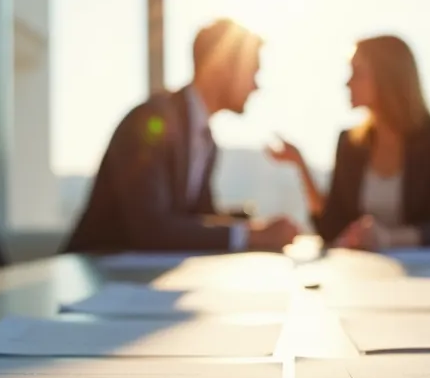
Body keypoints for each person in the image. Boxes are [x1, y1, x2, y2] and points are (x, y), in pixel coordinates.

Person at [63, 19, 301, 254]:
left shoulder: (206, 141)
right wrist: (251, 235)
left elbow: (199, 218)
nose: (256, 86)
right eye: (253, 72)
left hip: (144, 273)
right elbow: (151, 229)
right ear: (223, 67)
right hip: (95, 269)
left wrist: (254, 227)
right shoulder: (151, 119)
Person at [266, 35, 430, 250]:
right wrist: (301, 165)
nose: (347, 83)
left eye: (357, 72)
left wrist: (388, 238)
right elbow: (331, 227)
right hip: (361, 266)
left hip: (423, 268)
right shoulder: (350, 143)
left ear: (387, 77)